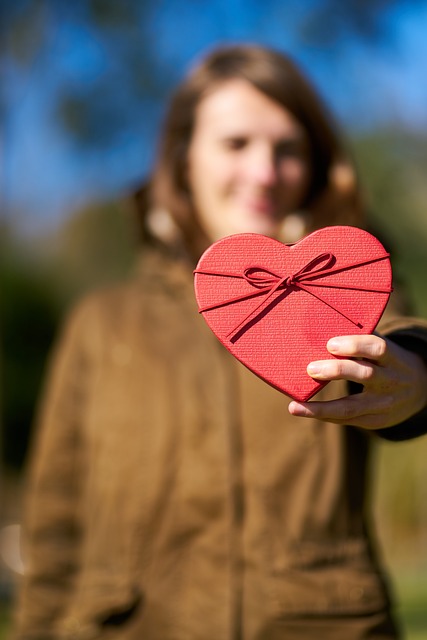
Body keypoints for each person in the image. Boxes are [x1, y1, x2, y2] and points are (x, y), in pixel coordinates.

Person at [10, 44, 427, 640]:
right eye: (236, 144)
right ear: (183, 161)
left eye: (287, 149)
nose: (263, 172)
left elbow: (395, 334)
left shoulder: (342, 285)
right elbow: (54, 527)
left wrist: (415, 375)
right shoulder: (102, 325)